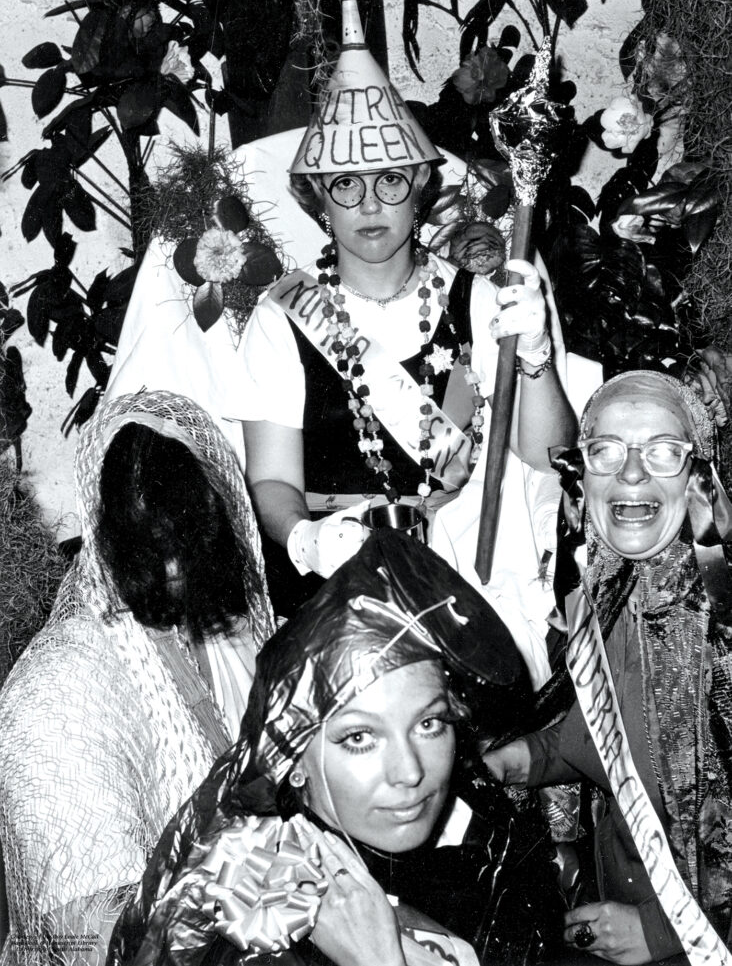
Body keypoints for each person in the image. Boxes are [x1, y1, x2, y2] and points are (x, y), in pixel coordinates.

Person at [237, 0, 578, 647]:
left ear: (420, 186)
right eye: (346, 184)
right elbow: (273, 480)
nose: (370, 203)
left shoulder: (481, 300)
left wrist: (534, 353)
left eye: (390, 179)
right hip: (340, 593)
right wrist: (305, 538)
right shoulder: (283, 319)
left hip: (466, 589)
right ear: (319, 198)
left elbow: (548, 454)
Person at [107, 529, 566, 966]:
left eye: (429, 724)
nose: (409, 772)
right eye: (360, 738)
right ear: (292, 758)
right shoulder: (264, 912)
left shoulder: (484, 828)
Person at [0, 391, 275, 966]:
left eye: (191, 542)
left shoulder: (230, 630)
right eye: (150, 546)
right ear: (109, 534)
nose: (175, 569)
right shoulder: (57, 691)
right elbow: (96, 940)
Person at [484, 370, 732, 964]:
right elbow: (598, 738)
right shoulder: (603, 595)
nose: (631, 471)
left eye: (663, 451)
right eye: (606, 450)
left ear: (698, 477)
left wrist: (663, 931)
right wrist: (521, 760)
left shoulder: (724, 629)